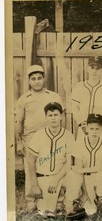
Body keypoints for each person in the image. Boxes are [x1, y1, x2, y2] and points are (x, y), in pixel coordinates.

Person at [14, 64, 64, 212]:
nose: (36, 81)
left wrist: (61, 135)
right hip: (31, 137)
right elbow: (18, 121)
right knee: (31, 168)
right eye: (33, 79)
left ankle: (57, 199)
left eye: (39, 78)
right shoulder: (24, 99)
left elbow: (62, 116)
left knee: (53, 166)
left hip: (51, 137)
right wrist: (19, 142)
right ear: (29, 81)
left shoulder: (53, 96)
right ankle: (31, 201)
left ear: (44, 79)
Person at [26, 102, 85, 219]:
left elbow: (68, 163)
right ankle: (50, 206)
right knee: (49, 212)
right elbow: (30, 161)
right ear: (46, 117)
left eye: (56, 115)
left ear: (61, 117)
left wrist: (56, 179)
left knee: (76, 176)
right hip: (44, 176)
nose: (53, 118)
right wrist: (34, 185)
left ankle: (69, 207)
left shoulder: (68, 135)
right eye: (50, 115)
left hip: (61, 176)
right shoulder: (39, 135)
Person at [72, 113, 102, 219]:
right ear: (86, 128)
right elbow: (79, 172)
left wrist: (82, 169)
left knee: (101, 175)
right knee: (90, 212)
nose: (94, 131)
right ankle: (86, 200)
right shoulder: (79, 142)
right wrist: (85, 194)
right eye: (92, 128)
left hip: (99, 176)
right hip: (85, 179)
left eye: (97, 129)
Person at [71, 56, 102, 138]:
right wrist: (82, 123)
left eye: (97, 68)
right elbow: (74, 108)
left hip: (101, 127)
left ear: (101, 70)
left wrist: (97, 123)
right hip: (84, 127)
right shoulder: (79, 86)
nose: (94, 71)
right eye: (92, 68)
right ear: (87, 69)